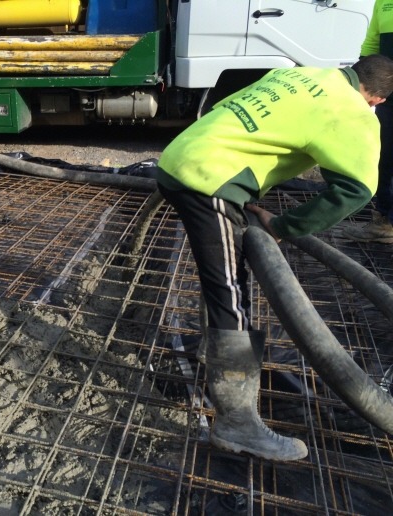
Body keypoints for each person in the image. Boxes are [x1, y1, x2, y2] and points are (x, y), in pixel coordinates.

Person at [156, 55, 393, 461]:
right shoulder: (355, 113)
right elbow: (357, 190)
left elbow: (229, 110)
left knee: (224, 274)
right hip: (208, 181)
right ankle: (237, 423)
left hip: (180, 157)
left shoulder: (298, 74)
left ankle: (211, 353)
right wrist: (284, 226)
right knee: (231, 293)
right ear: (378, 100)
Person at [343, 0, 393, 243]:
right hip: (389, 94)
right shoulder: (383, 1)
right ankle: (385, 221)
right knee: (385, 155)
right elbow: (372, 43)